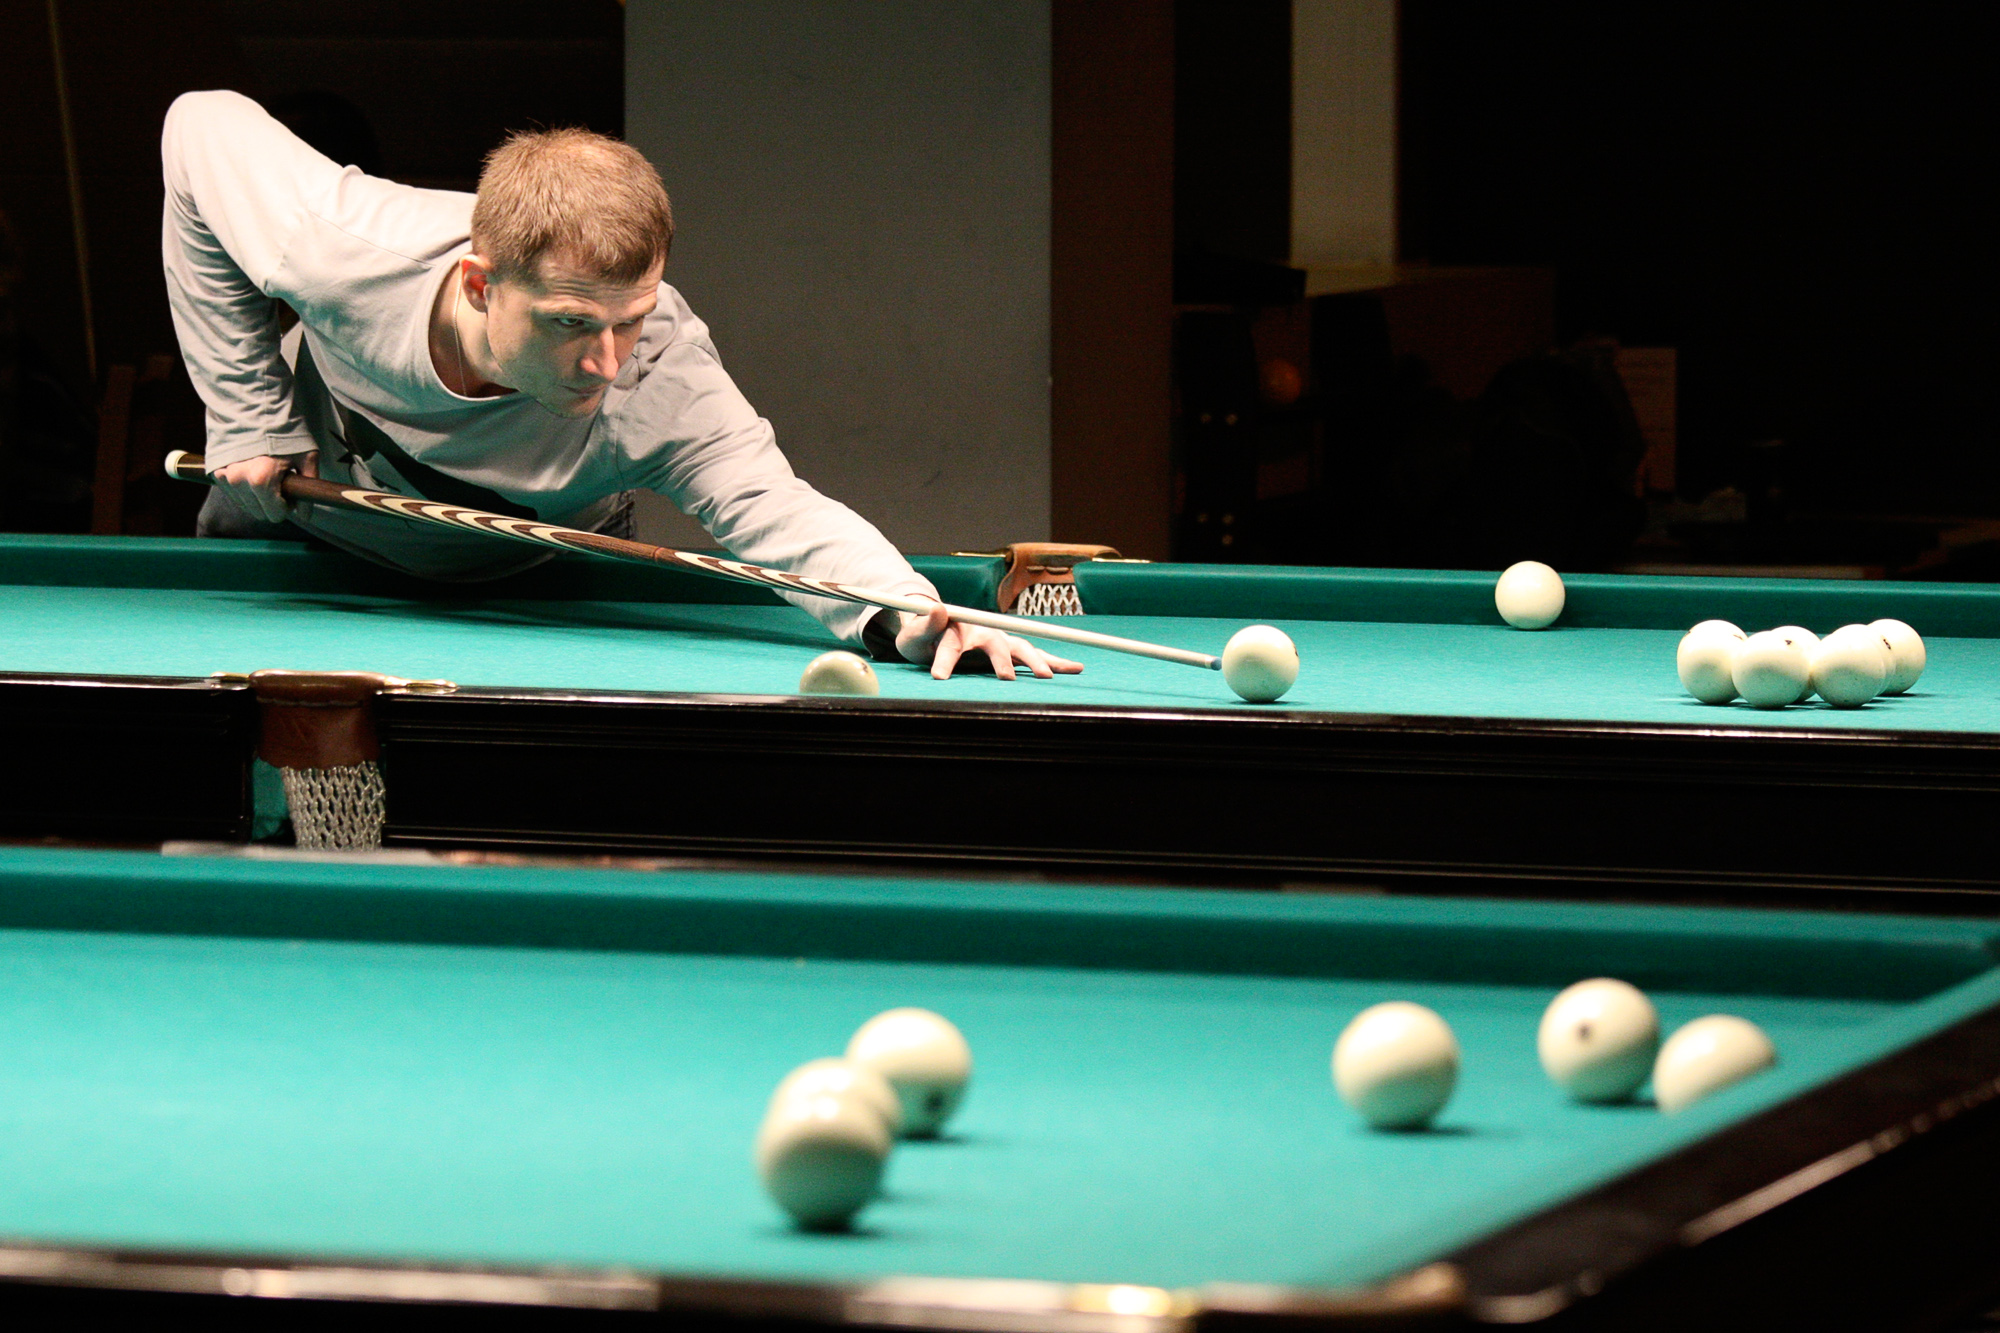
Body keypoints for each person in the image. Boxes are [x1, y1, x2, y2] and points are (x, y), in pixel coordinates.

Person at [161, 90, 1075, 681]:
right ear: (481, 285)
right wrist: (247, 411)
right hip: (296, 536)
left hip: (535, 584)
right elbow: (199, 124)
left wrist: (915, 613)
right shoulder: (347, 248)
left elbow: (778, 509)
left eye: (630, 319)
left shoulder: (664, 374)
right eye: (570, 324)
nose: (608, 363)